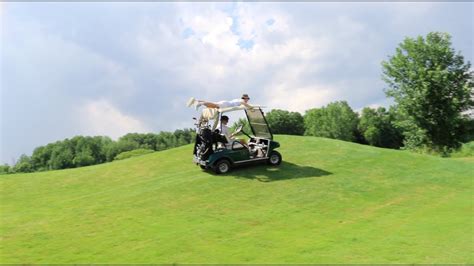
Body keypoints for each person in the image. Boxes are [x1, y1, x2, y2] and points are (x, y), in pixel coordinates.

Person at [187, 94, 253, 111]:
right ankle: (199, 103)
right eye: (247, 99)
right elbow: (244, 104)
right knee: (213, 105)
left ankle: (196, 100)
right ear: (245, 98)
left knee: (211, 105)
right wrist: (251, 107)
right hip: (226, 105)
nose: (247, 100)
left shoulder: (238, 100)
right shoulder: (242, 101)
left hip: (225, 103)